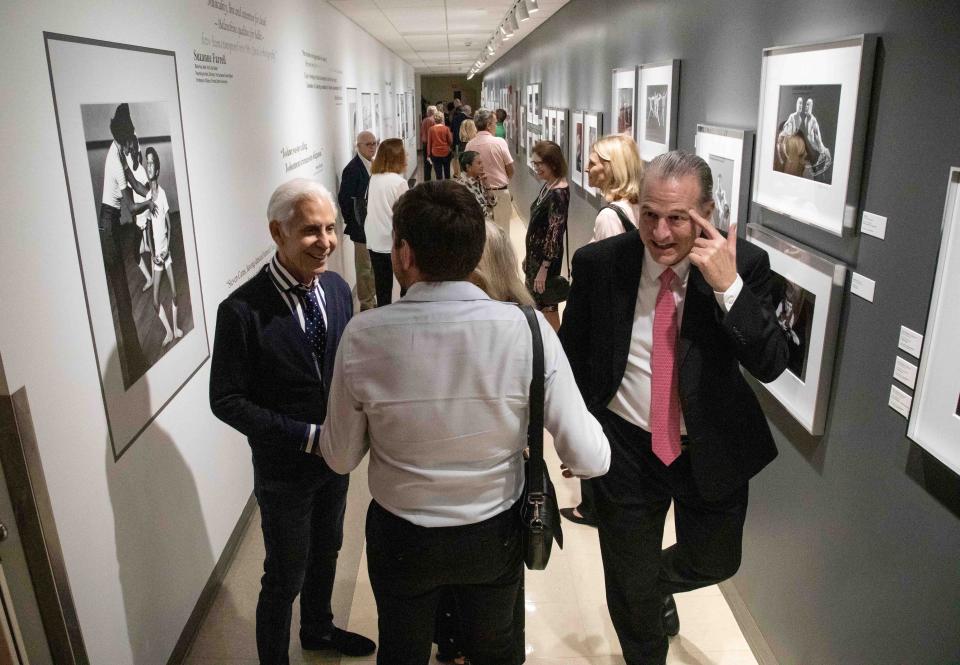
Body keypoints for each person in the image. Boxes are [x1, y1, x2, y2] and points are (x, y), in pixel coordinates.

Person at [318, 180, 610, 665]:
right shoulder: (529, 330)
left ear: (404, 253)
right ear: (477, 250)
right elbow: (591, 457)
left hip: (402, 536)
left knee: (402, 652)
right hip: (491, 533)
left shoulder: (364, 336)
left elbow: (341, 456)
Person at [559, 151, 790, 665]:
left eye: (678, 218)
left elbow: (772, 362)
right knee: (627, 582)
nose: (660, 234)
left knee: (716, 560)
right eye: (649, 215)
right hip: (626, 445)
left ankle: (649, 586)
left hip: (709, 445)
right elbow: (572, 357)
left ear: (708, 212)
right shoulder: (601, 264)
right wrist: (573, 434)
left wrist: (728, 288)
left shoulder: (745, 266)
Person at [209, 179, 376, 664]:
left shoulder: (339, 291)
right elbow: (226, 400)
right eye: (310, 231)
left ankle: (318, 629)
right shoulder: (241, 310)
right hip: (285, 470)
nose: (325, 242)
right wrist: (306, 437)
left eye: (330, 228)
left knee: (328, 551)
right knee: (284, 575)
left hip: (336, 461)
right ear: (277, 232)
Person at [100, 103, 149, 382]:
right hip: (108, 225)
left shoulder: (120, 150)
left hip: (112, 223)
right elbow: (131, 206)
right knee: (122, 296)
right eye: (129, 135)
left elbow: (135, 181)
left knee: (124, 297)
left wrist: (152, 189)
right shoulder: (115, 158)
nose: (133, 139)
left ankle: (135, 361)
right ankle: (133, 365)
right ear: (122, 135)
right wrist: (151, 201)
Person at [524, 140, 569, 332]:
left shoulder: (558, 193)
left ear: (553, 163)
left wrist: (544, 268)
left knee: (548, 305)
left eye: (539, 164)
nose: (536, 167)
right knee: (538, 304)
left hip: (546, 261)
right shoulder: (549, 185)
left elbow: (555, 233)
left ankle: (558, 347)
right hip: (536, 257)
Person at [141, 147, 182, 345]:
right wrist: (153, 254)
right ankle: (168, 332)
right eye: (146, 163)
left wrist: (167, 250)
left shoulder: (163, 194)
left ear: (156, 169)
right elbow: (148, 228)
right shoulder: (147, 197)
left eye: (151, 163)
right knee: (155, 300)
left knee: (174, 293)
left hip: (167, 254)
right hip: (157, 257)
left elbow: (169, 224)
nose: (148, 166)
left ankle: (175, 329)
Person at [365, 138, 409, 306]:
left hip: (374, 237)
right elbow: (405, 215)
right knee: (404, 282)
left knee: (382, 285)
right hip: (391, 241)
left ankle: (383, 315)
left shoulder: (374, 178)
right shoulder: (399, 182)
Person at [337, 131, 378, 311]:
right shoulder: (352, 169)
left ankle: (372, 299)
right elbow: (344, 199)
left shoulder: (373, 165)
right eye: (368, 144)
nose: (372, 147)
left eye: (374, 143)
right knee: (364, 269)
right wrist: (354, 223)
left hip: (374, 226)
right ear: (358, 146)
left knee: (373, 268)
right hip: (361, 229)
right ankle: (366, 304)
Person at [466, 108, 515, 236]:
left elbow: (467, 172)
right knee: (503, 234)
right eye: (494, 123)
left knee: (482, 234)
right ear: (488, 125)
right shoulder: (499, 142)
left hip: (477, 194)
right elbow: (511, 169)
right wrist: (503, 179)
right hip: (500, 192)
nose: (495, 126)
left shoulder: (469, 145)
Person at [586, 134, 644, 242]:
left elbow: (610, 258)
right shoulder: (640, 205)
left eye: (592, 163)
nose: (586, 168)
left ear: (610, 168)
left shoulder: (609, 216)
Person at [455, 150, 494, 221]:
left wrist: (487, 186)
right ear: (468, 167)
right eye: (479, 163)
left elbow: (493, 203)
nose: (482, 166)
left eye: (482, 162)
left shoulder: (479, 179)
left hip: (485, 223)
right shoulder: (461, 186)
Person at [427, 111, 454, 180]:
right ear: (442, 119)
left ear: (434, 119)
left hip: (435, 153)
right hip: (446, 152)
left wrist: (428, 154)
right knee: (447, 172)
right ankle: (447, 187)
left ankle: (440, 188)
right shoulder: (446, 128)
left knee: (438, 174)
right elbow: (450, 141)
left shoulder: (431, 129)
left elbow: (429, 143)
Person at [420, 105, 437, 181]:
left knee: (427, 164)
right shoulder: (434, 121)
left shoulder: (424, 120)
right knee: (436, 164)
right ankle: (438, 181)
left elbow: (421, 133)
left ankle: (427, 180)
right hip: (433, 144)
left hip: (425, 143)